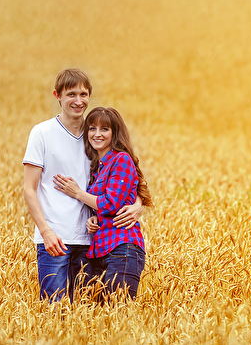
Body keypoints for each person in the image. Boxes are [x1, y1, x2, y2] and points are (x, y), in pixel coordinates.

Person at [22, 69, 142, 303]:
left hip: (91, 243)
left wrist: (137, 204)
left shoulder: (96, 135)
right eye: (71, 94)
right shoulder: (42, 133)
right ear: (57, 96)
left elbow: (128, 176)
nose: (78, 101)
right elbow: (29, 189)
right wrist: (46, 232)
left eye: (83, 94)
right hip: (55, 240)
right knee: (54, 310)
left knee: (87, 314)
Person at [53, 107, 153, 301]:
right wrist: (93, 218)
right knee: (95, 313)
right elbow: (112, 202)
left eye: (104, 129)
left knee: (118, 311)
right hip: (100, 249)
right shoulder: (97, 167)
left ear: (115, 133)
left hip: (122, 247)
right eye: (92, 128)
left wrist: (78, 193)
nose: (97, 134)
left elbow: (111, 204)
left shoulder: (121, 159)